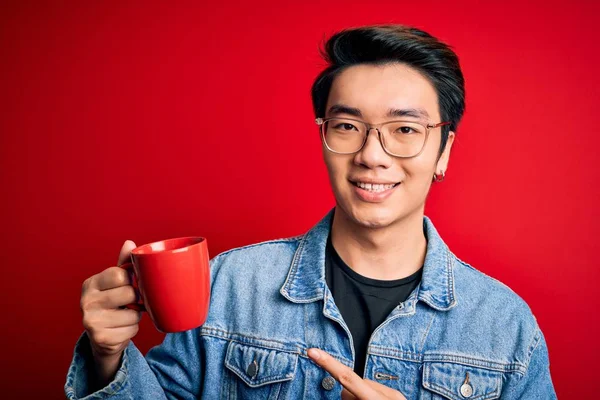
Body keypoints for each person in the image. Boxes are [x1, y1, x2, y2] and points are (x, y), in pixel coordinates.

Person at [65, 25, 557, 399]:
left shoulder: (506, 326)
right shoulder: (228, 286)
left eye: (405, 130)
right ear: (324, 137)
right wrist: (108, 359)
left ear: (444, 150)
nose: (372, 154)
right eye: (347, 126)